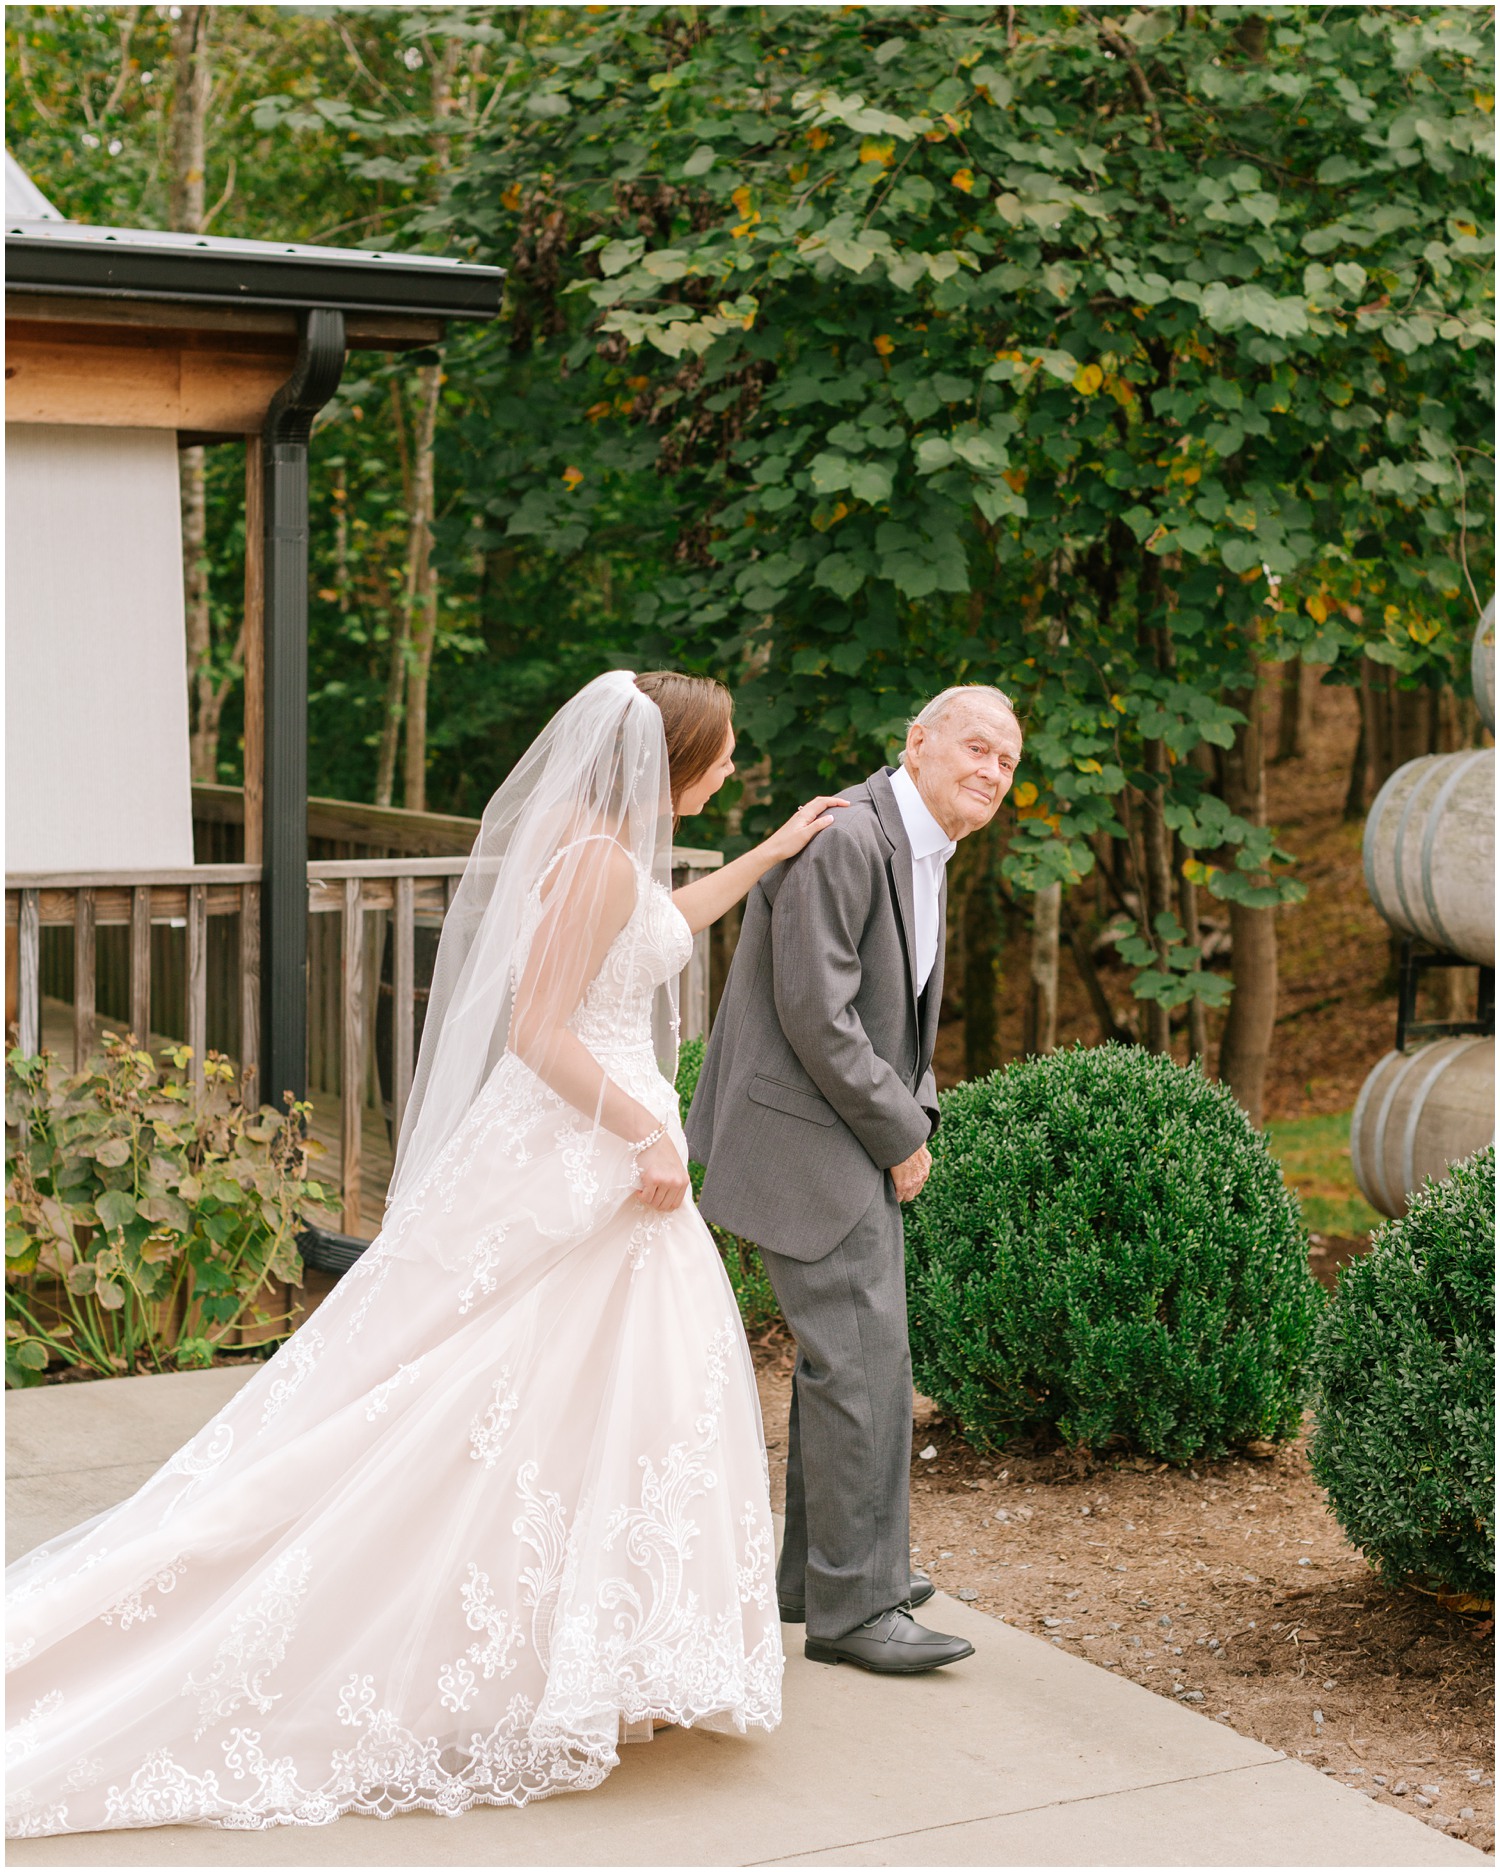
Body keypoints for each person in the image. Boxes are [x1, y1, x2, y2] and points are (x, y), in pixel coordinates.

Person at [5, 669, 848, 1838]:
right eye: (718, 759)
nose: (723, 774)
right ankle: (547, 1658)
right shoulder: (600, 860)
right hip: (586, 1152)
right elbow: (537, 1030)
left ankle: (612, 1656)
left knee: (606, 1403)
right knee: (495, 1394)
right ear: (672, 759)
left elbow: (662, 929)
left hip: (598, 1150)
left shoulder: (609, 849)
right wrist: (645, 1130)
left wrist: (765, 855)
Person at [687, 685, 1023, 1673]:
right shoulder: (851, 840)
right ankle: (857, 1608)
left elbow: (888, 1015)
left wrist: (897, 1116)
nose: (992, 771)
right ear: (917, 744)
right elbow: (816, 1011)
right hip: (810, 1138)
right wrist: (901, 1132)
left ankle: (822, 1578)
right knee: (866, 1363)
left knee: (853, 1359)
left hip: (833, 1130)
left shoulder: (913, 844)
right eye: (976, 747)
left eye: (1006, 762)